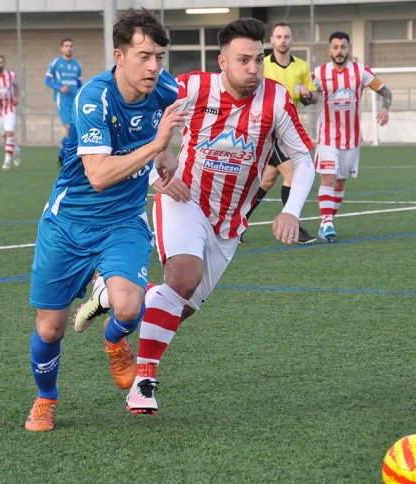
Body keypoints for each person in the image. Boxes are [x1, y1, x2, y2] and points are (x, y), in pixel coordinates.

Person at [75, 18, 315, 416]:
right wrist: (156, 177)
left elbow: (303, 159)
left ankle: (111, 295)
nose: (253, 69)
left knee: (178, 307)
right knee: (182, 278)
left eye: (258, 60)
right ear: (222, 62)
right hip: (183, 198)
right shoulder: (191, 88)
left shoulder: (276, 100)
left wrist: (290, 210)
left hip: (229, 223)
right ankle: (144, 383)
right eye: (243, 60)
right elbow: (141, 129)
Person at [24, 8, 189, 432]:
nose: (153, 66)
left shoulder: (165, 87)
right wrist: (157, 147)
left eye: (159, 57)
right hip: (69, 223)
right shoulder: (92, 98)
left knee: (130, 304)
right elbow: (97, 175)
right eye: (143, 56)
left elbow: (171, 119)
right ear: (119, 55)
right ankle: (46, 398)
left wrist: (167, 152)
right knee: (50, 327)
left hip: (124, 221)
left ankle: (115, 341)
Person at [311, 31, 392, 241]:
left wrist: (385, 109)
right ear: (329, 50)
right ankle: (328, 224)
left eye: (343, 47)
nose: (339, 51)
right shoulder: (319, 73)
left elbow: (386, 92)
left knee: (339, 184)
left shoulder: (360, 72)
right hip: (327, 136)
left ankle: (325, 222)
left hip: (352, 139)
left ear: (349, 49)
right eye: (335, 47)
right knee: (328, 179)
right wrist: (306, 94)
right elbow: (310, 99)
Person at [242, 21, 317, 244]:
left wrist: (306, 95)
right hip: (265, 131)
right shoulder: (261, 64)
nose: (282, 40)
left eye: (286, 36)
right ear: (272, 41)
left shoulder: (301, 66)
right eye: (278, 36)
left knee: (267, 180)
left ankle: (237, 223)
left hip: (288, 131)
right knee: (293, 172)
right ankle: (293, 226)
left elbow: (312, 99)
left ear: (291, 40)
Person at [45, 39, 83, 165]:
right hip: (63, 101)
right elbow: (47, 81)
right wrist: (59, 88)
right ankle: (69, 160)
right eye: (66, 46)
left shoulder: (77, 64)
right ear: (62, 48)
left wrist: (83, 93)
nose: (69, 48)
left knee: (75, 130)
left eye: (71, 46)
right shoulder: (56, 63)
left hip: (75, 100)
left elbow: (79, 83)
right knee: (71, 130)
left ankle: (62, 154)